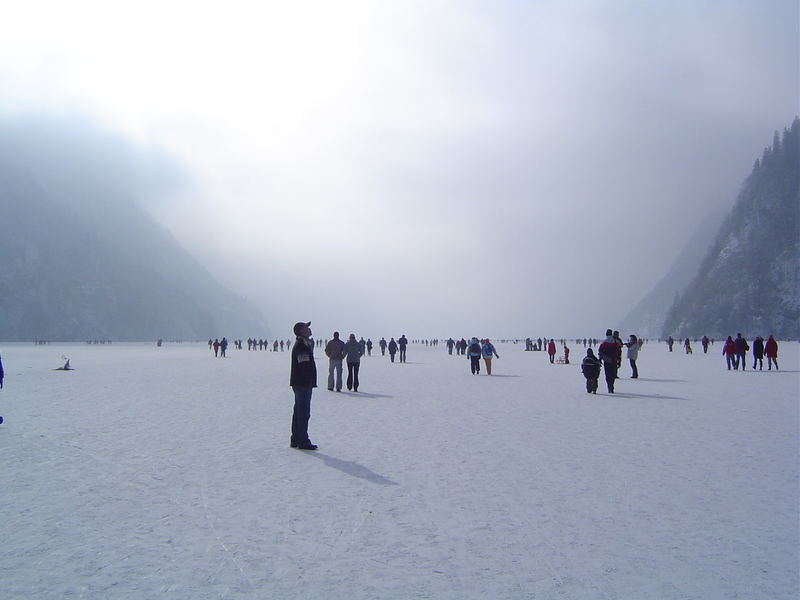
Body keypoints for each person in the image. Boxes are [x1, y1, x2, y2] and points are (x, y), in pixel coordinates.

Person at [289, 321, 317, 450]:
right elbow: (304, 365)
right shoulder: (302, 345)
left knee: (299, 411)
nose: (309, 329)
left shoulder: (304, 344)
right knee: (303, 412)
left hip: (299, 382)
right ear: (301, 331)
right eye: (307, 327)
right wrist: (308, 381)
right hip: (302, 383)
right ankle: (303, 440)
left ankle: (295, 438)